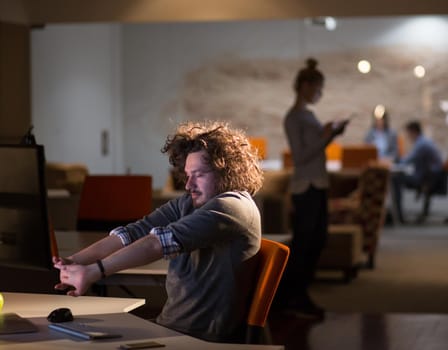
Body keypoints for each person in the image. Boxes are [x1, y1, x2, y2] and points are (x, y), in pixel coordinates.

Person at [53, 120, 264, 343]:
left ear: (226, 171)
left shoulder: (232, 206)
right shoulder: (189, 203)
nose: (188, 184)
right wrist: (74, 261)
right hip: (170, 328)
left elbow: (156, 243)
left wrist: (95, 271)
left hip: (197, 340)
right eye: (187, 174)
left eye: (199, 174)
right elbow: (134, 232)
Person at [278, 58, 349, 319]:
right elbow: (300, 156)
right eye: (319, 88)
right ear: (306, 86)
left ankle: (297, 293)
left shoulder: (307, 115)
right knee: (306, 243)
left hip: (317, 184)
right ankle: (293, 296)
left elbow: (313, 148)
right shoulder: (294, 117)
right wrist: (328, 136)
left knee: (317, 241)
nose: (320, 93)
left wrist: (329, 133)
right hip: (305, 186)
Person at [391, 120, 443, 223]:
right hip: (430, 176)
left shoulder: (422, 145)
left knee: (395, 178)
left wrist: (392, 165)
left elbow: (408, 161)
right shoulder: (424, 141)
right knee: (399, 175)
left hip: (426, 179)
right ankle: (397, 214)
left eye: (408, 133)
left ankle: (398, 216)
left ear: (413, 131)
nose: (408, 136)